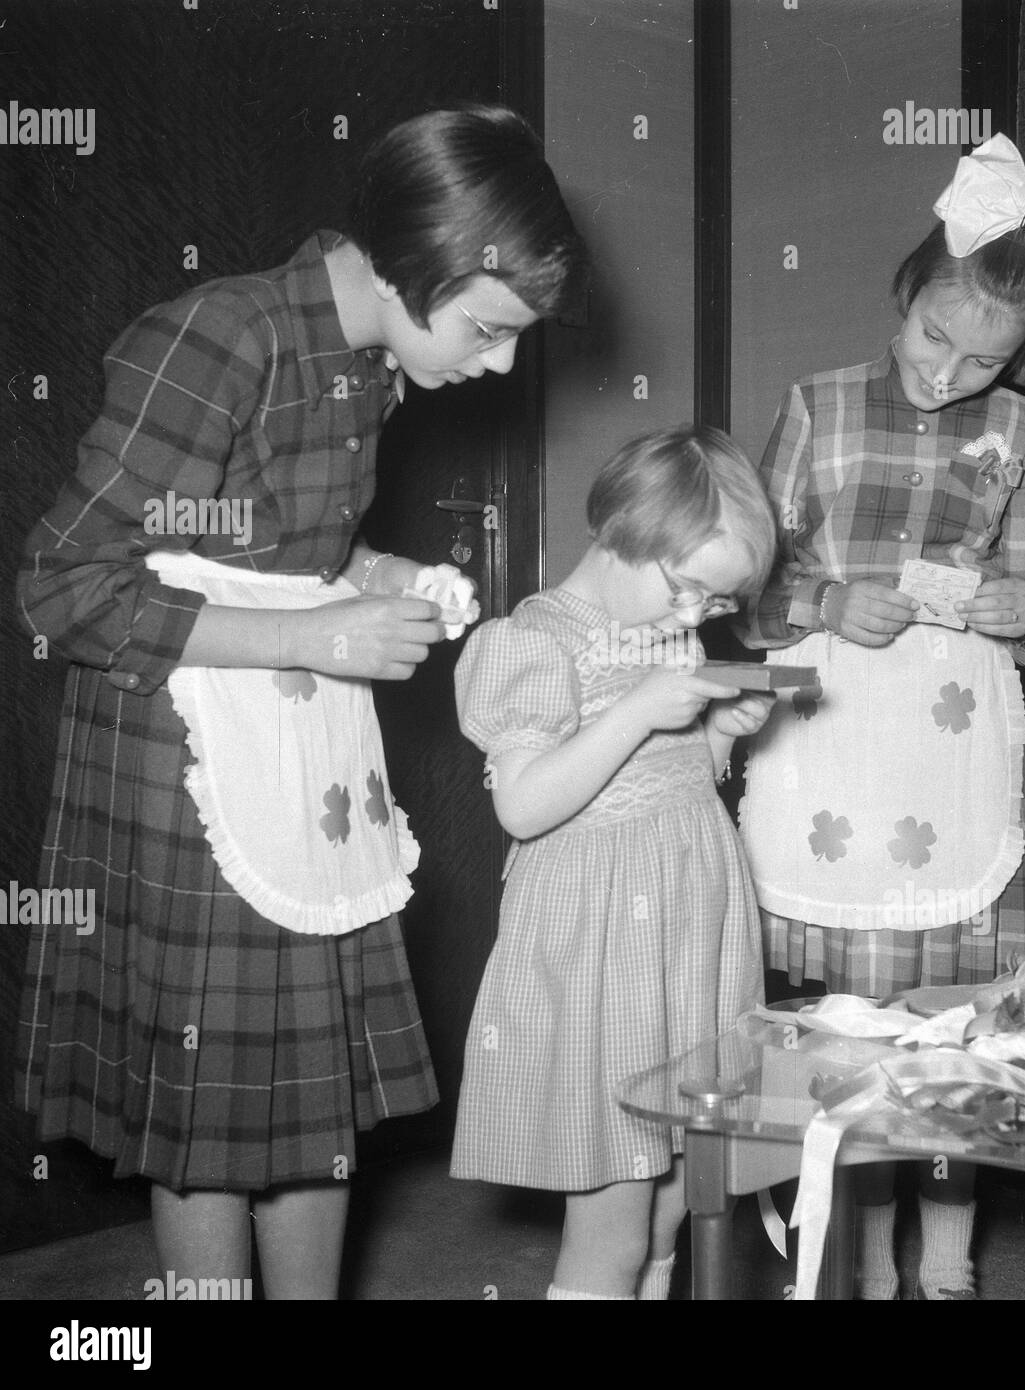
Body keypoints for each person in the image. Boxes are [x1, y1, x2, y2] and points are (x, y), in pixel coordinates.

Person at [13, 104, 586, 1299]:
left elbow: (274, 549)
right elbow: (64, 587)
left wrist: (381, 577)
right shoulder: (219, 336)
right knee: (209, 1107)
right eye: (487, 329)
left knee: (307, 1086)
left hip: (303, 762)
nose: (497, 364)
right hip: (186, 766)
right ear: (410, 266)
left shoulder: (368, 361)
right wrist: (319, 630)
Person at [736, 135, 1025, 1300]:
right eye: (931, 337)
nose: (947, 371)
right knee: (853, 1024)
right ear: (907, 293)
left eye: (982, 360)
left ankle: (947, 1264)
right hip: (834, 744)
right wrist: (821, 597)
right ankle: (845, 1253)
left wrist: (1024, 603)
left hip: (956, 754)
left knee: (958, 1026)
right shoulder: (815, 405)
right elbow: (744, 594)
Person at [451, 425, 777, 1300]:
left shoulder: (667, 635)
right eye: (687, 591)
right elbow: (525, 806)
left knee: (681, 1181)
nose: (694, 619)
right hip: (603, 944)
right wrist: (638, 712)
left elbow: (659, 782)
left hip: (686, 922)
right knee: (617, 1204)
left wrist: (712, 734)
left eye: (715, 605)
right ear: (622, 532)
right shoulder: (533, 642)